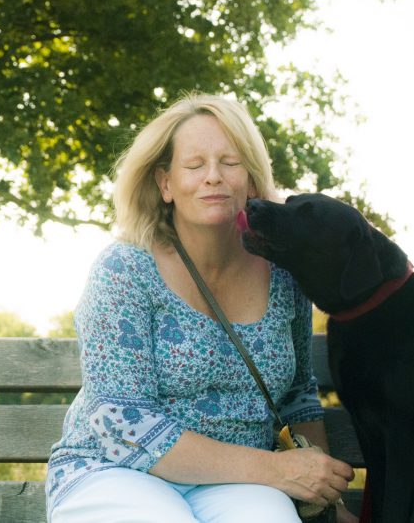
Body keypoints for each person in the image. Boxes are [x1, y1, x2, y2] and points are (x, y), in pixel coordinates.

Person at [45, 93, 358, 523]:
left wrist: (327, 501)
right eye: (194, 165)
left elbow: (298, 396)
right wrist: (275, 470)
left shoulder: (284, 274)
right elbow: (122, 424)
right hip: (115, 472)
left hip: (238, 484)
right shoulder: (124, 270)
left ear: (250, 179)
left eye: (230, 162)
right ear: (165, 184)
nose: (213, 177)